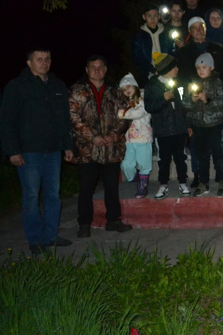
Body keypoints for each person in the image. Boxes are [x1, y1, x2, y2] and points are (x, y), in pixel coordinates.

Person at [1, 48, 75, 253]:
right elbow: (7, 121)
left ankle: (51, 235)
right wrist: (12, 151)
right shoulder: (16, 87)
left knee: (53, 195)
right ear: (29, 63)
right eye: (39, 59)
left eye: (47, 59)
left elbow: (63, 120)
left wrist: (67, 145)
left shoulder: (57, 85)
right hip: (28, 152)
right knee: (32, 196)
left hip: (53, 151)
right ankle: (35, 240)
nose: (44, 63)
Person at [69, 55, 133, 238]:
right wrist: (93, 137)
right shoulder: (76, 91)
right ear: (87, 70)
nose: (97, 70)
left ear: (105, 70)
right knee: (86, 188)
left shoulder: (116, 92)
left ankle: (113, 220)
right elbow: (73, 118)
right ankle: (84, 224)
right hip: (87, 149)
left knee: (112, 187)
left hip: (111, 148)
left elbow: (126, 115)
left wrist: (114, 135)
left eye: (101, 67)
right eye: (93, 67)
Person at [144, 53, 191, 200]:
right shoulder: (152, 85)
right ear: (167, 69)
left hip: (179, 128)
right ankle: (163, 185)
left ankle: (183, 183)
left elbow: (184, 106)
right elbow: (149, 107)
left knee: (180, 157)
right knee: (163, 159)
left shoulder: (179, 82)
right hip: (163, 130)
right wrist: (163, 99)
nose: (177, 69)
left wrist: (187, 125)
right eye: (174, 67)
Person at [181, 53, 223, 196]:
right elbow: (185, 104)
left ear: (211, 68)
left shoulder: (218, 84)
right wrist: (193, 101)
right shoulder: (192, 85)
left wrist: (208, 100)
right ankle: (203, 182)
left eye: (204, 67)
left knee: (218, 155)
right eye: (198, 68)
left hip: (214, 125)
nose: (201, 70)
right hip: (198, 125)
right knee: (202, 156)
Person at [117, 73, 153, 199]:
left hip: (143, 137)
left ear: (135, 86)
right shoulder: (123, 102)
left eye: (129, 87)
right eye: (124, 89)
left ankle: (143, 185)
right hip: (128, 139)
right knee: (126, 165)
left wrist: (120, 114)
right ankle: (137, 178)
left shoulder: (143, 97)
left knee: (144, 163)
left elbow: (139, 112)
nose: (127, 90)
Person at [176, 16, 223, 86]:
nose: (198, 30)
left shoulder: (218, 48)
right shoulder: (184, 52)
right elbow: (182, 75)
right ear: (190, 31)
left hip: (216, 90)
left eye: (201, 27)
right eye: (194, 28)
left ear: (205, 28)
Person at [132, 4, 172, 83]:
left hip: (166, 70)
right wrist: (152, 70)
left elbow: (171, 51)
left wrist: (169, 67)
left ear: (159, 16)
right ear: (144, 17)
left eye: (155, 16)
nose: (152, 19)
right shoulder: (139, 36)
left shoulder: (165, 33)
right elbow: (138, 57)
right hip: (148, 73)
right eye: (149, 16)